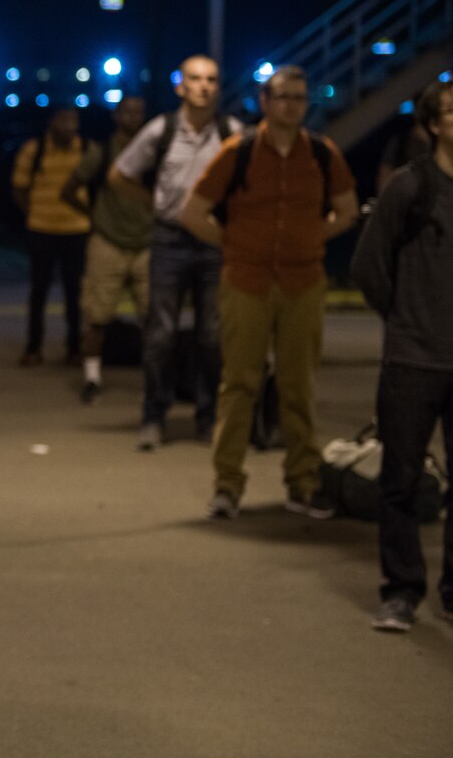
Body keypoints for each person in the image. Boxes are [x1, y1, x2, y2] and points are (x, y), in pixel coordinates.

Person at [180, 65, 358, 520]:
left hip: (302, 282)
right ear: (265, 102)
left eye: (300, 97)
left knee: (298, 385)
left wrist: (314, 237)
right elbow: (194, 213)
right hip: (247, 281)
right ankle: (227, 485)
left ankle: (302, 483)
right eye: (283, 97)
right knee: (240, 384)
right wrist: (235, 243)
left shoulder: (322, 153)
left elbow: (347, 210)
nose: (292, 105)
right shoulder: (238, 152)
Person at [350, 78, 453, 632]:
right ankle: (402, 591)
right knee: (401, 480)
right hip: (413, 358)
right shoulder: (411, 187)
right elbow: (368, 266)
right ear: (432, 124)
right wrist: (405, 318)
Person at [109, 55, 241, 450]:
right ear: (180, 86)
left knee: (212, 334)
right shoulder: (161, 129)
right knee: (161, 332)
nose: (204, 86)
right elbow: (119, 175)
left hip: (214, 242)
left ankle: (207, 415)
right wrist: (154, 203)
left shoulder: (230, 132)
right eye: (195, 79)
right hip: (170, 240)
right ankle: (154, 415)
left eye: (212, 79)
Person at [61, 95, 151, 403]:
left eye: (139, 112)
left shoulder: (153, 152)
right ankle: (92, 376)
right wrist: (93, 216)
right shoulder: (101, 152)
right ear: (116, 115)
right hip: (108, 241)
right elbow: (69, 189)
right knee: (98, 315)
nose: (134, 117)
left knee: (152, 317)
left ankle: (156, 379)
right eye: (128, 111)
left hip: (145, 242)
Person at [11, 107, 90, 366]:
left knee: (74, 291)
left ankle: (74, 347)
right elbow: (20, 188)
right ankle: (34, 346)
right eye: (64, 119)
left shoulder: (86, 149)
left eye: (74, 121)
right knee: (39, 290)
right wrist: (33, 214)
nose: (70, 126)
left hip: (76, 229)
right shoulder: (34, 150)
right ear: (52, 122)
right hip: (42, 228)